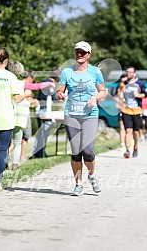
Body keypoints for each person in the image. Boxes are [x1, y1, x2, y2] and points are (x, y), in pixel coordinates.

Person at [56, 41, 107, 196]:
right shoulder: (67, 72)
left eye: (83, 52)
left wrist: (96, 97)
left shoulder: (95, 72)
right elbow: (60, 90)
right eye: (78, 52)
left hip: (90, 116)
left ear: (88, 55)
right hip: (71, 115)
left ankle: (92, 175)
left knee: (88, 151)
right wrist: (60, 94)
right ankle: (78, 184)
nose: (80, 55)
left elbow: (103, 91)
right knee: (76, 152)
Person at [0, 48, 31, 190]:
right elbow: (17, 99)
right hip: (5, 118)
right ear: (6, 61)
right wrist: (26, 94)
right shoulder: (10, 77)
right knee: (1, 150)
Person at [8, 61, 55, 170]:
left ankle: (3, 162)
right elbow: (37, 86)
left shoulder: (7, 82)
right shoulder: (21, 83)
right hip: (20, 117)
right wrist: (49, 83)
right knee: (17, 141)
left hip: (7, 115)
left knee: (6, 143)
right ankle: (15, 164)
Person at [121, 66, 147, 158]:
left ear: (134, 73)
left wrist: (138, 95)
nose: (128, 73)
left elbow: (146, 94)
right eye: (127, 72)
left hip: (137, 110)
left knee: (136, 132)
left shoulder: (139, 83)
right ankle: (128, 150)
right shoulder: (123, 83)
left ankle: (136, 146)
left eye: (130, 72)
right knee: (128, 131)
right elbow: (118, 93)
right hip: (126, 110)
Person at [32, 73, 59, 158]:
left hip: (40, 109)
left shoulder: (44, 82)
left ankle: (36, 152)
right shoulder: (50, 85)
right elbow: (53, 100)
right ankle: (41, 153)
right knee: (44, 133)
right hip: (45, 111)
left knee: (40, 133)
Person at [117, 74, 128, 150]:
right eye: (122, 78)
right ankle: (122, 143)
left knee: (129, 128)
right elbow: (117, 97)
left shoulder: (131, 86)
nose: (123, 79)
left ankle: (130, 140)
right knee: (121, 126)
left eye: (125, 77)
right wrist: (117, 104)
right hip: (122, 109)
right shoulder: (119, 87)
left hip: (131, 109)